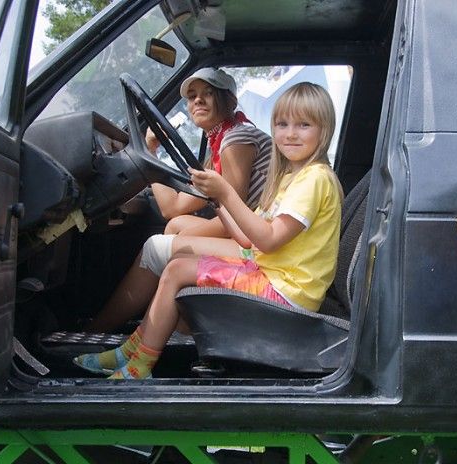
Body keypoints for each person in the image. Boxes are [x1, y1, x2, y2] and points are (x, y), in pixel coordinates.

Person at [74, 82, 344, 380]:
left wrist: (226, 192)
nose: (290, 133)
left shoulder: (315, 180)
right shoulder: (292, 177)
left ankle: (138, 366)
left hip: (287, 292)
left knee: (177, 271)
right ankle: (131, 352)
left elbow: (267, 241)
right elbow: (246, 238)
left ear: (324, 129)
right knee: (178, 264)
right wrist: (217, 200)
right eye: (282, 124)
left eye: (303, 125)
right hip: (274, 273)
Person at [83, 67, 271, 333]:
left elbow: (236, 218)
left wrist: (178, 240)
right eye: (192, 96)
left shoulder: (237, 139)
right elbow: (173, 208)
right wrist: (150, 152)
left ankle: (102, 330)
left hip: (260, 244)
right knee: (175, 225)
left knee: (157, 247)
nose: (198, 100)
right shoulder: (220, 144)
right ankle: (157, 323)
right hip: (251, 234)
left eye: (209, 93)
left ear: (230, 101)